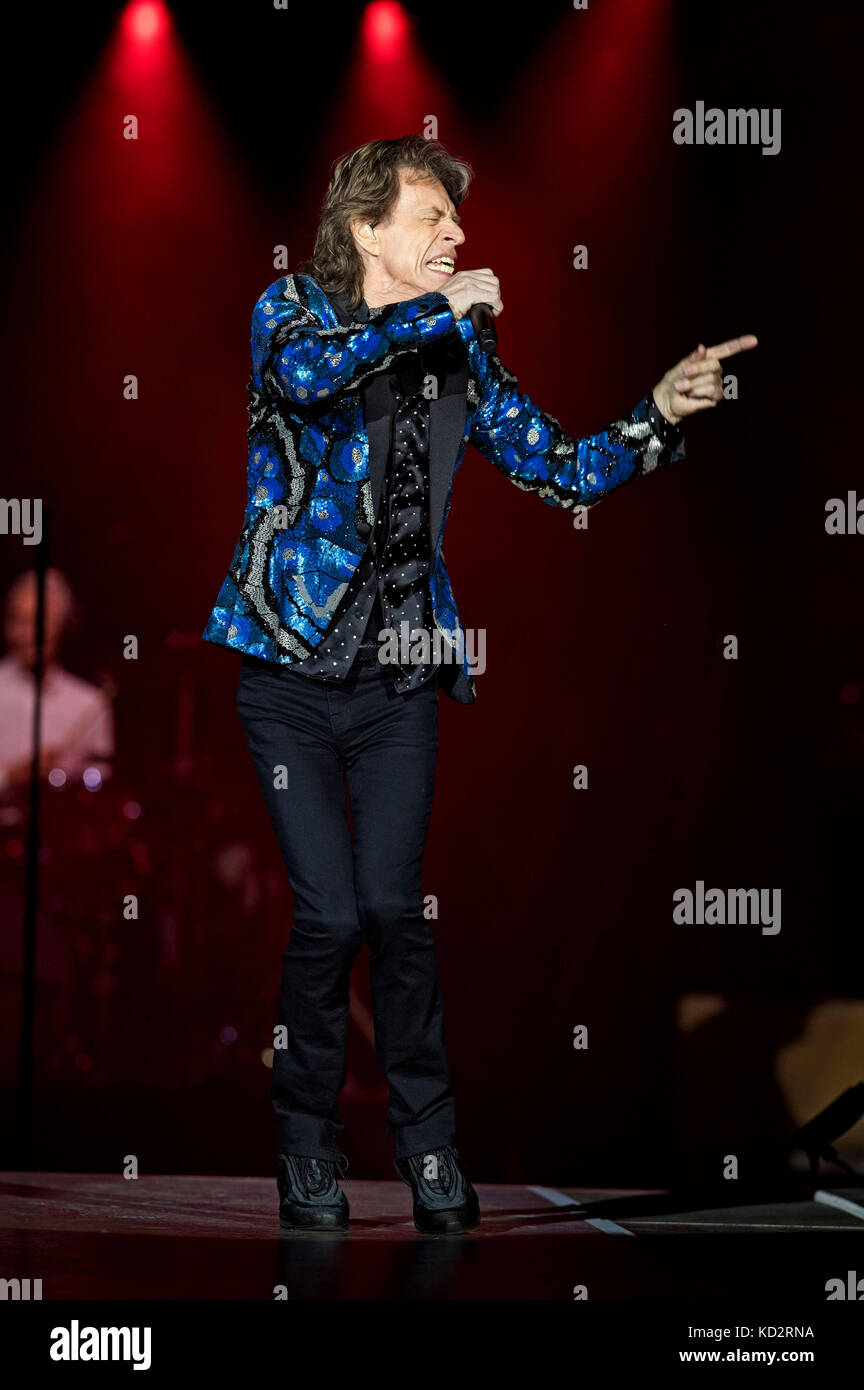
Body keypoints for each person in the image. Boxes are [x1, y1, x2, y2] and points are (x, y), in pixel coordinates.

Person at [202, 134, 756, 1233]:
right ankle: (305, 1148)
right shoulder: (292, 313)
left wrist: (657, 413)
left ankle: (431, 1148)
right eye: (432, 219)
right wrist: (436, 312)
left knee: (397, 915)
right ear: (366, 228)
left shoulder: (460, 347)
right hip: (287, 668)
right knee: (327, 918)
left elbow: (555, 466)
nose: (457, 238)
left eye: (459, 224)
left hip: (402, 668)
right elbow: (311, 378)